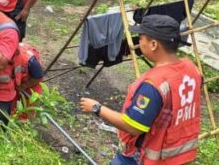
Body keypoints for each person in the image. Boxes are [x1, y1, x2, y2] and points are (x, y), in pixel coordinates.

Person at [80, 15, 201, 165]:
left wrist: (97, 108)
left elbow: (133, 127)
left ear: (154, 44)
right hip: (177, 153)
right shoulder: (192, 69)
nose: (139, 42)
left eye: (141, 38)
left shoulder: (154, 85)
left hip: (145, 156)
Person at [12, 42, 45, 120]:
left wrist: (24, 86)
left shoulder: (30, 60)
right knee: (13, 108)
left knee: (26, 110)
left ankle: (24, 126)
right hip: (17, 82)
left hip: (30, 85)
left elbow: (38, 77)